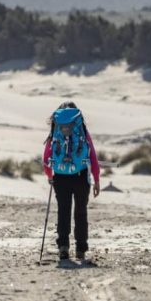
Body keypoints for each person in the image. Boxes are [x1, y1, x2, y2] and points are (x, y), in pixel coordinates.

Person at [42, 101, 101, 267]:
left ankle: (63, 247)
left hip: (60, 176)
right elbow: (92, 155)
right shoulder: (80, 129)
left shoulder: (56, 129)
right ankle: (81, 249)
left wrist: (50, 175)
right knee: (81, 212)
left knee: (63, 212)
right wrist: (96, 178)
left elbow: (46, 158)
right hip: (81, 175)